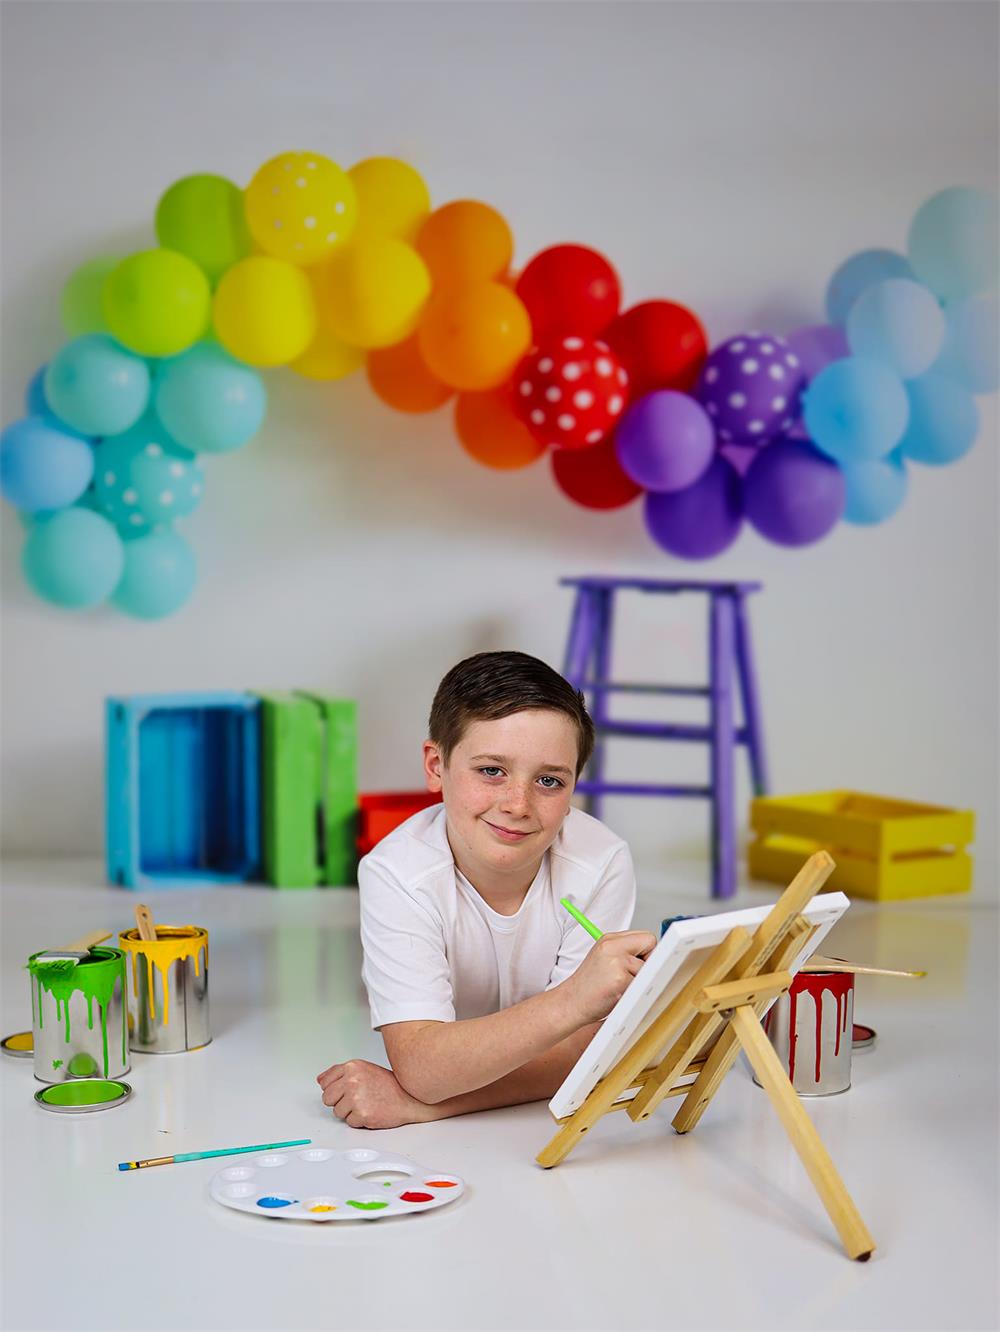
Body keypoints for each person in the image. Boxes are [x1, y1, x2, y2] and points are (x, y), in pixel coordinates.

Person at [316, 650, 657, 1128]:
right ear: (437, 766)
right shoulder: (396, 872)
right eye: (492, 770)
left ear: (575, 784)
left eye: (549, 780)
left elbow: (584, 1055)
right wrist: (577, 1000)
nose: (518, 804)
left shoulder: (602, 861)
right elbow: (422, 1067)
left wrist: (423, 1103)